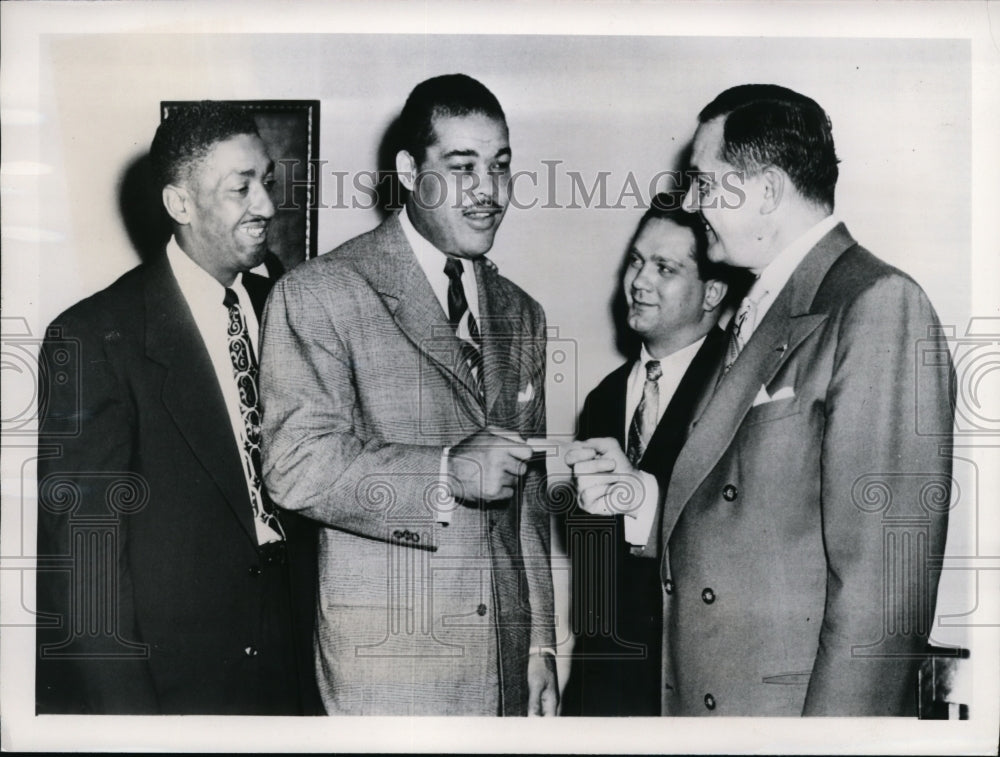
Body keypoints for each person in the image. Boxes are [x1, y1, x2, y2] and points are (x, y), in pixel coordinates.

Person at [259, 74, 558, 716]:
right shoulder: (321, 292)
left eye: (500, 165)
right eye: (462, 166)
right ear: (408, 172)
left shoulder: (522, 313)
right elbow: (296, 466)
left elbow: (528, 501)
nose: (488, 190)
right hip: (390, 674)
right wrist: (446, 474)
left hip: (506, 673)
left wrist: (539, 645)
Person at [661, 83, 952, 715]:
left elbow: (884, 595)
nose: (689, 203)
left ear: (767, 191)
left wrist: (830, 747)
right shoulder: (763, 307)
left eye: (704, 185)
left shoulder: (878, 303)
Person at [35, 101, 320, 715]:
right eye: (240, 188)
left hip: (300, 658)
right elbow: (87, 565)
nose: (266, 205)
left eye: (266, 181)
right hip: (181, 680)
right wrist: (130, 726)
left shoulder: (286, 304)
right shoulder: (93, 336)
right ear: (180, 204)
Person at [561, 198, 736, 716]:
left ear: (713, 292)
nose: (639, 281)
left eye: (665, 268)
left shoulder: (741, 390)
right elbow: (593, 578)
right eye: (637, 261)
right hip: (603, 695)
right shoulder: (602, 399)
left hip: (694, 691)